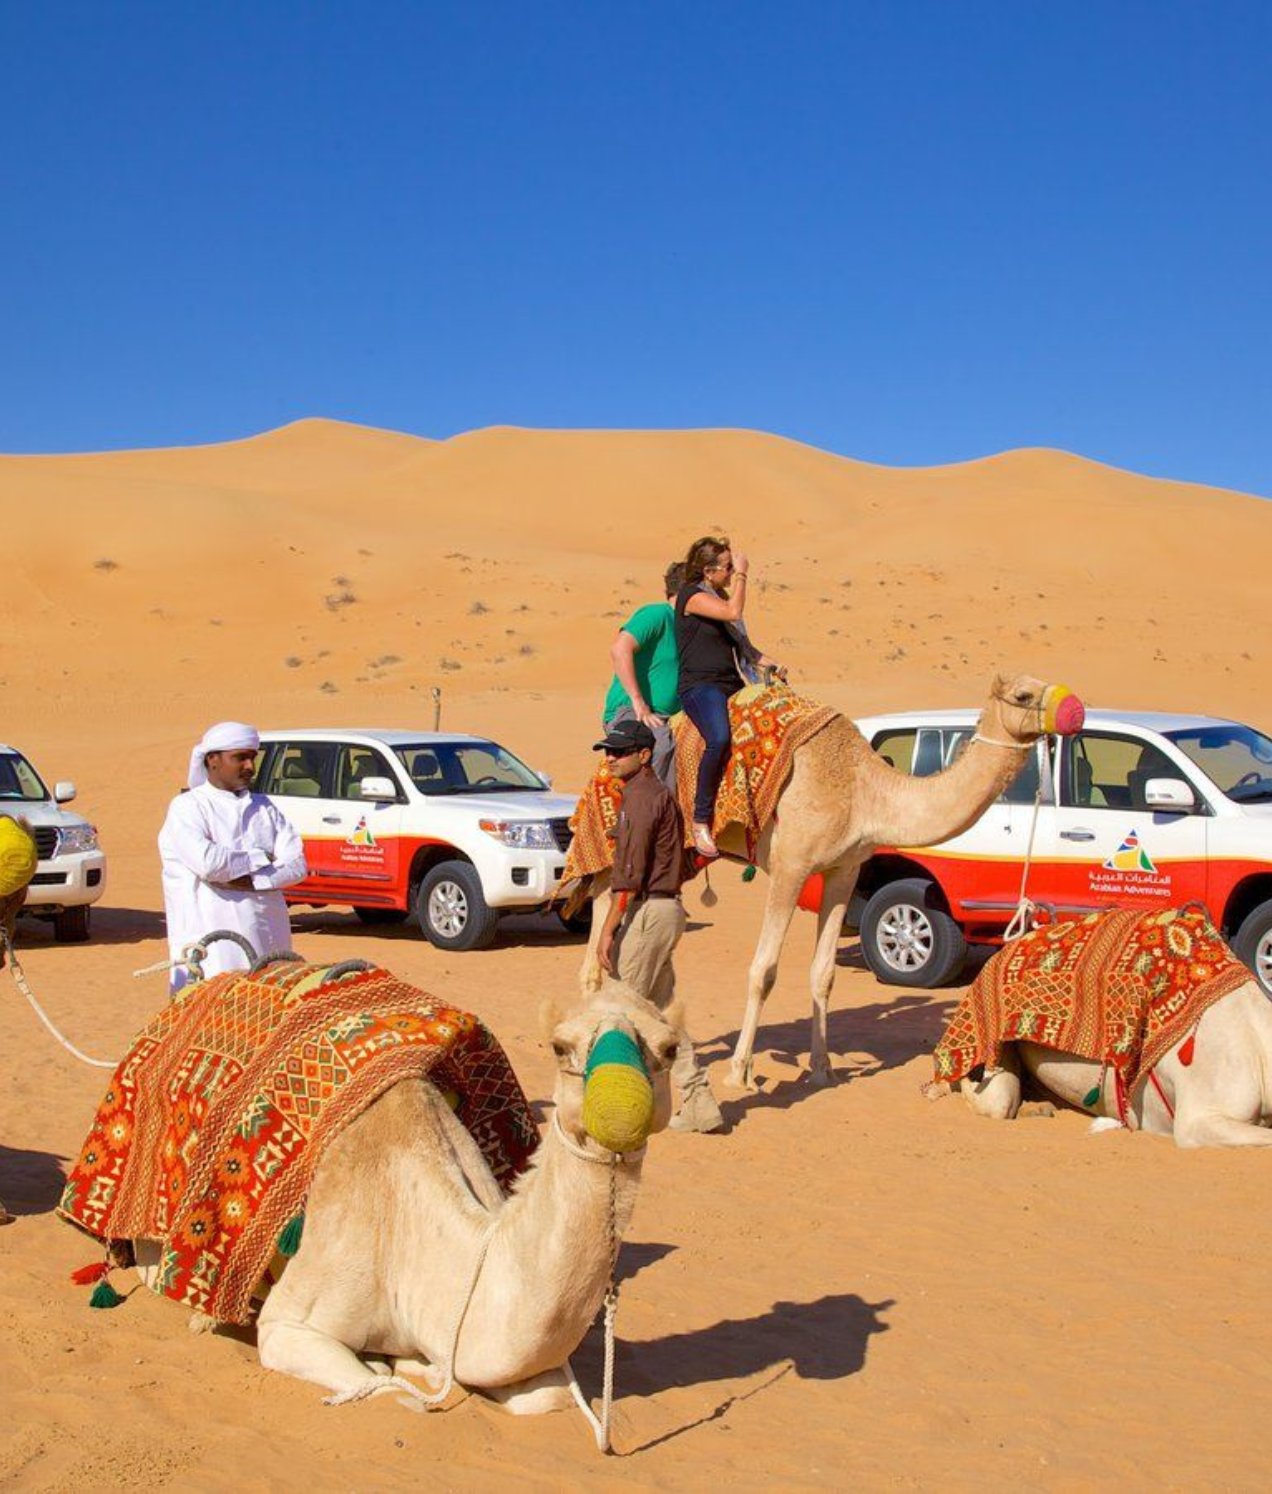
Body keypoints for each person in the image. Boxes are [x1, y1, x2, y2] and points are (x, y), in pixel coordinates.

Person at [595, 717, 724, 1134]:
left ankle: (617, 1103)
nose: (611, 758)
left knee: (619, 1006)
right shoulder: (652, 796)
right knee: (663, 1013)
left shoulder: (641, 799)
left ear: (644, 755)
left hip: (649, 912)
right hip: (664, 909)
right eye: (608, 751)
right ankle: (699, 1101)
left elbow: (630, 874)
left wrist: (607, 929)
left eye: (619, 752)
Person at [158, 722, 307, 994]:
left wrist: (254, 882)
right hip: (211, 943)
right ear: (212, 760)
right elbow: (210, 864)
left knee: (268, 1007)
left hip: (270, 936)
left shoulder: (265, 808)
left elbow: (297, 865)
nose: (250, 766)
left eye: (253, 757)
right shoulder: (188, 808)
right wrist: (261, 857)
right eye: (240, 758)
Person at [675, 536, 783, 857]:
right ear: (709, 571)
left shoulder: (719, 601)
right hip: (700, 686)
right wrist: (744, 574)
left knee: (767, 728)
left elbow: (746, 650)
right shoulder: (691, 596)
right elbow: (734, 610)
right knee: (720, 738)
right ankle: (700, 820)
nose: (732, 572)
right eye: (727, 568)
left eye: (733, 567)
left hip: (731, 683)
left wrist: (772, 664)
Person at [600, 561, 685, 790]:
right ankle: (651, 807)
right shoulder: (657, 614)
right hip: (632, 711)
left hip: (668, 715)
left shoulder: (688, 628)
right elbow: (619, 649)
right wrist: (639, 703)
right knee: (660, 746)